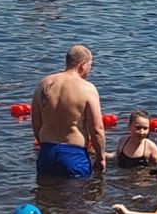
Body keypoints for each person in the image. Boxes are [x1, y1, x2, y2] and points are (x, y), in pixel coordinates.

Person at [30, 44, 104, 177]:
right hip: (73, 154)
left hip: (47, 153)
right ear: (83, 64)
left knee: (44, 195)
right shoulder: (87, 88)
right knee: (77, 196)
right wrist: (100, 157)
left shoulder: (43, 84)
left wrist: (43, 144)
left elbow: (35, 120)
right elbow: (97, 129)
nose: (89, 70)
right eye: (90, 66)